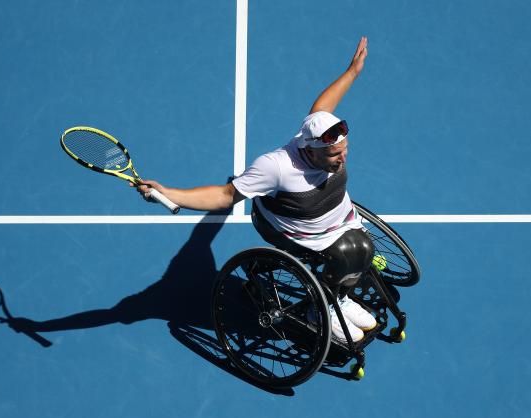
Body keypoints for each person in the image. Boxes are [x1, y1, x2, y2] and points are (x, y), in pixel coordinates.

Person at [135, 37, 376, 345]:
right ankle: (321, 310)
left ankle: (338, 299)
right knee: (346, 254)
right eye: (334, 155)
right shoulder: (275, 167)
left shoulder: (322, 136)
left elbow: (324, 106)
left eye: (345, 150)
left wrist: (353, 71)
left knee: (364, 248)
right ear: (311, 149)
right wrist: (168, 193)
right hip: (292, 228)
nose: (342, 158)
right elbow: (224, 196)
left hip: (336, 217)